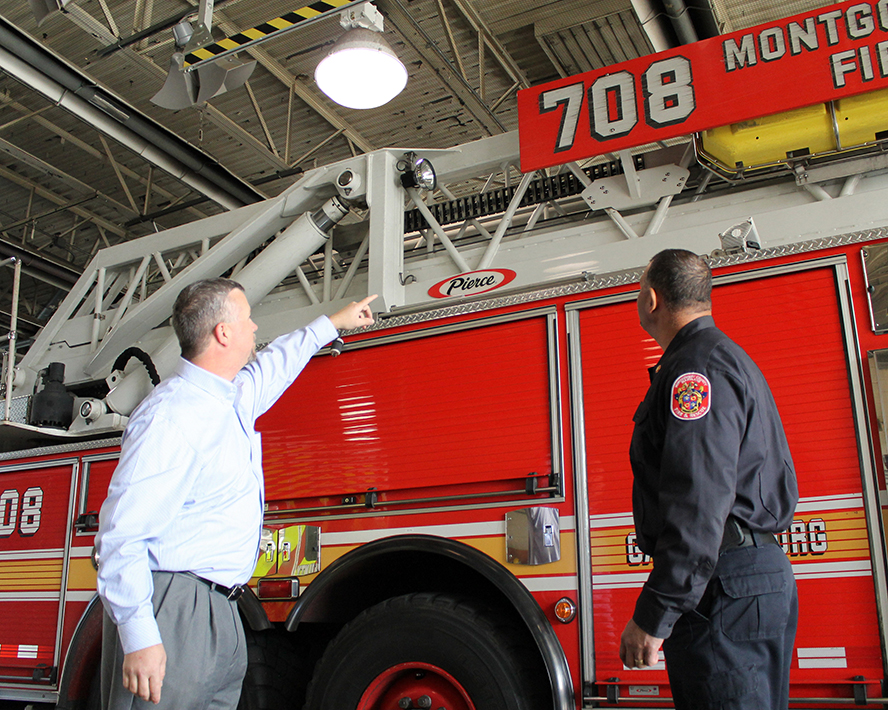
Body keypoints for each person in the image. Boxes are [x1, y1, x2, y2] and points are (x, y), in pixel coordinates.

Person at [96, 278, 376, 709]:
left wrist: (333, 323)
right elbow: (121, 534)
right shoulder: (172, 416)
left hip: (222, 609)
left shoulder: (228, 398)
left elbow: (276, 365)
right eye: (247, 319)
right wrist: (140, 637)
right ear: (223, 333)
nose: (256, 327)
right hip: (175, 609)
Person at [619, 249, 799, 709]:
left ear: (651, 299)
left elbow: (698, 502)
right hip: (747, 579)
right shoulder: (728, 359)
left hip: (722, 589)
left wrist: (656, 613)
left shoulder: (694, 370)